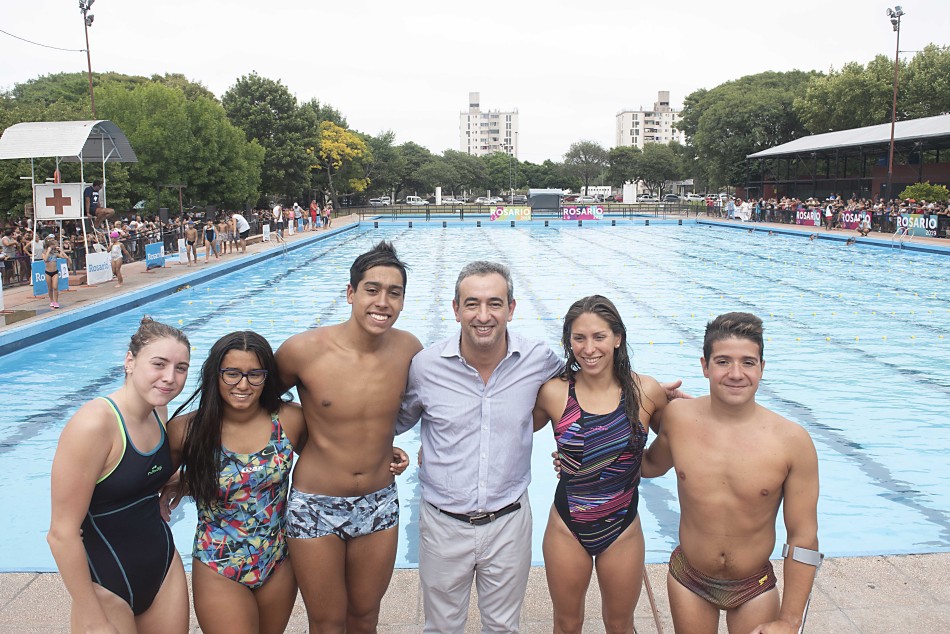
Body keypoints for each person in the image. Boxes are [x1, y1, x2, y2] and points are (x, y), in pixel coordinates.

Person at [396, 261, 563, 632]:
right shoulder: (426, 367)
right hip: (442, 523)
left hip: (509, 521)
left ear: (512, 308)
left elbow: (591, 384)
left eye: (495, 303)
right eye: (472, 304)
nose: (483, 315)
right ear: (455, 309)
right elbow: (390, 420)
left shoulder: (539, 360)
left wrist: (647, 392)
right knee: (441, 628)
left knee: (503, 627)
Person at [275, 240, 421, 632]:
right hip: (315, 504)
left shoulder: (409, 349)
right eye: (372, 290)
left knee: (364, 617)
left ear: (403, 300)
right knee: (327, 622)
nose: (383, 302)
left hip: (378, 502)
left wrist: (387, 445)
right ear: (351, 293)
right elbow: (255, 405)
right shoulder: (302, 351)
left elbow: (418, 409)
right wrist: (310, 438)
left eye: (394, 293)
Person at [642, 312, 820, 634]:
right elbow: (646, 465)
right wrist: (585, 457)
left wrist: (790, 621)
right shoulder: (679, 419)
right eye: (723, 361)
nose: (736, 374)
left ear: (762, 368)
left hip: (754, 585)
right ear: (704, 366)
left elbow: (804, 538)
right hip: (689, 578)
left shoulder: (793, 441)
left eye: (748, 362)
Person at [532, 296, 670, 633]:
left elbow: (665, 455)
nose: (589, 348)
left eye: (599, 337)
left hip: (622, 528)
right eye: (579, 338)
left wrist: (622, 463)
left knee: (620, 625)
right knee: (566, 624)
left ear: (618, 338)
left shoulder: (645, 391)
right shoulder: (553, 393)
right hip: (568, 526)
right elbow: (507, 433)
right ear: (568, 342)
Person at [47, 317, 191, 633]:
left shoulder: (158, 411)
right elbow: (61, 533)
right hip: (105, 582)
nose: (170, 377)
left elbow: (135, 478)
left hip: (163, 569)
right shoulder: (94, 425)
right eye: (159, 364)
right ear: (129, 361)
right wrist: (93, 618)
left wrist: (181, 481)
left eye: (181, 368)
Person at [164, 331, 306, 634]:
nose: (243, 385)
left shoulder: (290, 421)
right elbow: (141, 478)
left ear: (267, 377)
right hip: (218, 564)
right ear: (215, 374)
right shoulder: (186, 430)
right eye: (232, 374)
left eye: (255, 374)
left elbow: (335, 458)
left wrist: (387, 453)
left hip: (278, 560)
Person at [42, 235, 69, 309]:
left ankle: (56, 301)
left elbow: (65, 257)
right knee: (50, 287)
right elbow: (45, 259)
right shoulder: (44, 253)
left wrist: (61, 250)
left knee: (55, 287)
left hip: (55, 272)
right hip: (48, 272)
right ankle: (51, 300)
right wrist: (48, 250)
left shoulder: (55, 254)